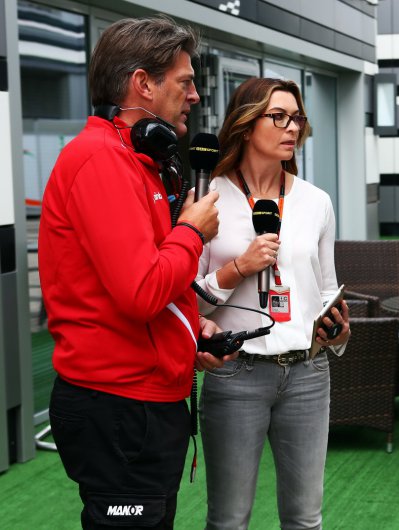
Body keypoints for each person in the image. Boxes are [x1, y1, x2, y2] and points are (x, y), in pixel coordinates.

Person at [39, 16, 230, 529]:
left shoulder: (135, 159)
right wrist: (191, 231)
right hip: (119, 405)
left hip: (141, 401)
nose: (194, 96)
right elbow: (142, 290)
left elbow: (148, 283)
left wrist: (190, 332)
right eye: (184, 82)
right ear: (143, 83)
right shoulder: (101, 160)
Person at [195, 77, 351, 530]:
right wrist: (239, 268)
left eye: (297, 118)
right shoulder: (206, 198)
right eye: (278, 117)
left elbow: (326, 289)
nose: (292, 128)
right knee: (228, 520)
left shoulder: (316, 202)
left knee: (304, 519)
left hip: (308, 373)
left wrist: (338, 330)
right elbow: (187, 304)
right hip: (235, 373)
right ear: (246, 125)